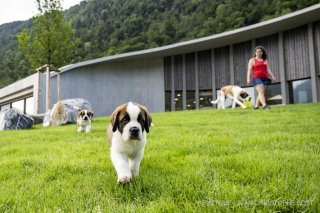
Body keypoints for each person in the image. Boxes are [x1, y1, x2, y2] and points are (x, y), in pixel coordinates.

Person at [247, 46, 276, 110]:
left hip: (264, 78)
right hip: (256, 78)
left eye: (260, 52)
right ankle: (265, 106)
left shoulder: (265, 60)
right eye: (257, 52)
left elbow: (268, 69)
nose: (259, 53)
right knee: (261, 91)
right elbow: (249, 70)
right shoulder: (252, 60)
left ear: (262, 53)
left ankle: (256, 106)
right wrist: (248, 78)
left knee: (261, 93)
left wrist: (272, 75)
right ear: (255, 53)